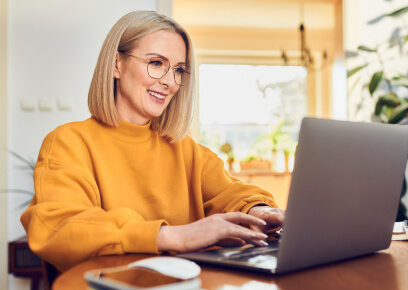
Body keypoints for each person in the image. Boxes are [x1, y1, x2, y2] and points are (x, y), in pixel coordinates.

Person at [21, 10, 285, 272]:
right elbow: (60, 227)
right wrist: (173, 236)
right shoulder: (68, 143)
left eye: (179, 70)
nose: (170, 82)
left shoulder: (184, 149)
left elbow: (234, 193)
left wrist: (259, 210)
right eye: (156, 63)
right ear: (116, 64)